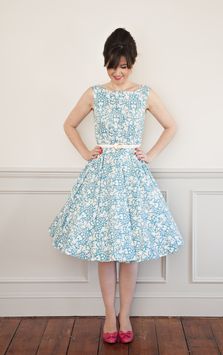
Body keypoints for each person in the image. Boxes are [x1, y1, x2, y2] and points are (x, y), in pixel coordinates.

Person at [48, 27, 184, 344]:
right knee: (106, 253)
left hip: (134, 178)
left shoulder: (144, 93)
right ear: (105, 63)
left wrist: (149, 154)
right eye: (112, 65)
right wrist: (85, 153)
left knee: (131, 253)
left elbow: (171, 125)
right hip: (102, 176)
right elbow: (69, 124)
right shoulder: (95, 93)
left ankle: (126, 315)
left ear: (132, 63)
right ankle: (110, 314)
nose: (118, 72)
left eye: (123, 66)